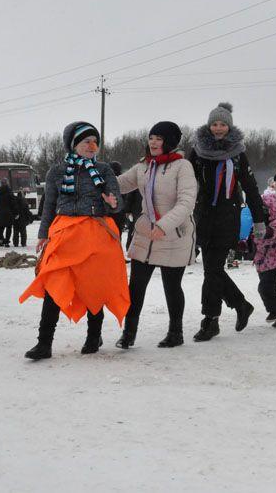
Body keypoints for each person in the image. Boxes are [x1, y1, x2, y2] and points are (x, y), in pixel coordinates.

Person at [21, 121, 128, 360]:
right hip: (64, 232)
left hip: (96, 233)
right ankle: (44, 343)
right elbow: (49, 204)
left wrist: (114, 203)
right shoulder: (57, 171)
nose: (92, 146)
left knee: (94, 285)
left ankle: (93, 335)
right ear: (73, 145)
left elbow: (117, 201)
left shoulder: (104, 169)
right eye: (86, 142)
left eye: (95, 142)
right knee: (54, 285)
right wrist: (43, 234)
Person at [116, 121, 197, 349]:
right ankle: (129, 333)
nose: (153, 142)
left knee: (172, 286)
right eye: (151, 137)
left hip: (174, 234)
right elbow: (120, 184)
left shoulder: (183, 167)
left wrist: (165, 225)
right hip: (146, 234)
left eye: (159, 138)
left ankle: (176, 332)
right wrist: (97, 181)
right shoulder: (144, 166)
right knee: (136, 286)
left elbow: (186, 202)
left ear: (169, 142)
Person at [188, 102, 265, 342]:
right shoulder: (197, 151)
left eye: (222, 124)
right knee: (213, 270)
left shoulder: (238, 154)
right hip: (204, 217)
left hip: (227, 216)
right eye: (214, 124)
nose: (218, 128)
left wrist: (259, 220)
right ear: (208, 125)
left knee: (211, 270)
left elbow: (251, 188)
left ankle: (210, 321)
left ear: (229, 126)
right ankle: (240, 304)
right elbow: (187, 182)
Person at [254, 191, 276, 328]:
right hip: (263, 264)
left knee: (264, 288)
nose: (262, 212)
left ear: (272, 209)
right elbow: (255, 240)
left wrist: (266, 231)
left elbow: (275, 233)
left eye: (265, 209)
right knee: (272, 289)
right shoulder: (258, 223)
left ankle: (275, 311)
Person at [0, 179, 16, 247]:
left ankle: (0, 240)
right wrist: (15, 212)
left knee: (0, 227)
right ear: (7, 183)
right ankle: (6, 241)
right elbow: (13, 203)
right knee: (8, 227)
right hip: (8, 212)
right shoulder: (9, 191)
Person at [108, 161, 128, 238]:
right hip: (120, 213)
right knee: (118, 234)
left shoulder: (108, 180)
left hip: (110, 213)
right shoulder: (123, 180)